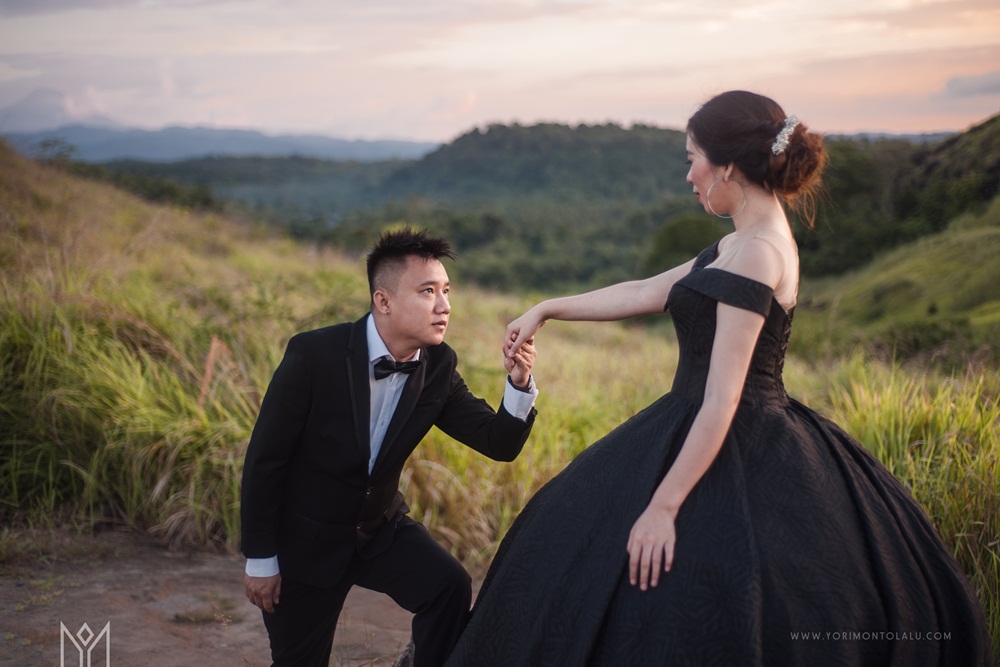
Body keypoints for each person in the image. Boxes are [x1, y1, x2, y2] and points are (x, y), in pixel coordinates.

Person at [443, 91, 992, 666]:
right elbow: (644, 292)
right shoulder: (735, 243)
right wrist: (547, 308)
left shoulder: (760, 253)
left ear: (727, 165)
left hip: (736, 430)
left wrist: (663, 507)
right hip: (690, 415)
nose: (689, 175)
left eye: (692, 158)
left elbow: (723, 399)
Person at [240, 227, 539, 667]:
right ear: (384, 301)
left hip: (379, 531)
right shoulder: (313, 356)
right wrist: (261, 560)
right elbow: (266, 461)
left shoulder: (438, 365)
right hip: (307, 540)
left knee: (448, 587)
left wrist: (519, 382)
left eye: (446, 291)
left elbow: (498, 442)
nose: (444, 306)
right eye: (427, 292)